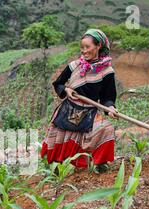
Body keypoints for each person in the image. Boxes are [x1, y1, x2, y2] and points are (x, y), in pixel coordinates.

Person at [40, 29, 118, 171]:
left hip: (89, 111)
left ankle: (100, 164)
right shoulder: (74, 66)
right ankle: (57, 168)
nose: (83, 51)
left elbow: (107, 97)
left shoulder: (107, 72)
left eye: (87, 47)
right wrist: (66, 90)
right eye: (82, 47)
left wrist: (110, 108)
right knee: (60, 136)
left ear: (98, 46)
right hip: (69, 109)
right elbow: (58, 83)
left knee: (106, 129)